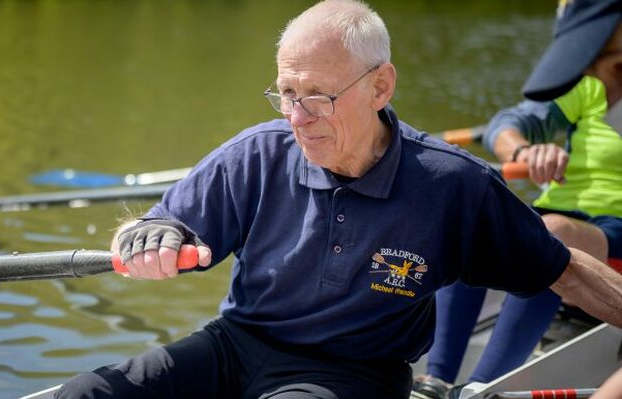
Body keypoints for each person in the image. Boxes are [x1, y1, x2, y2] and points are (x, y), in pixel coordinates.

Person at [54, 1, 622, 398]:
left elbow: (567, 271)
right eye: (287, 94)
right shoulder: (258, 152)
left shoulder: (453, 184)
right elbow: (157, 225)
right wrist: (145, 237)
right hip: (236, 346)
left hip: (353, 375)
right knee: (89, 391)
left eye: (318, 97)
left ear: (380, 87)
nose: (297, 119)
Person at [416, 1, 622, 397]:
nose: (601, 75)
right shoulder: (590, 83)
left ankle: (482, 386)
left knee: (550, 233)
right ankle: (434, 381)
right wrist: (525, 152)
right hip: (565, 216)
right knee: (477, 215)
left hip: (610, 232)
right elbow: (504, 126)